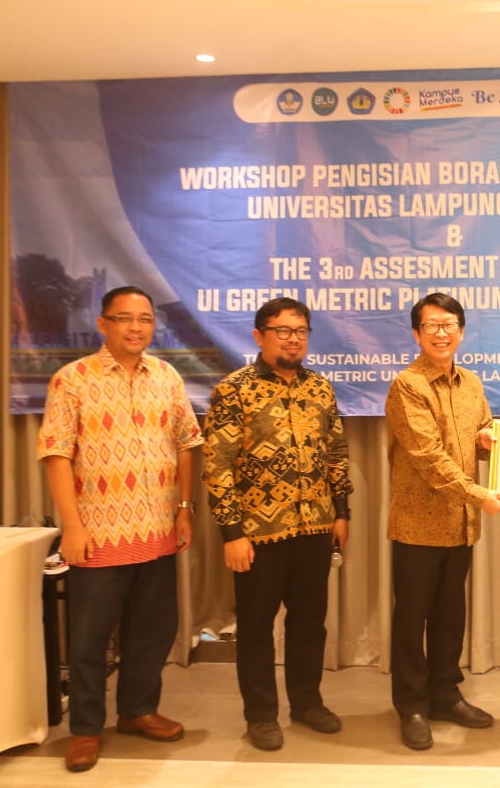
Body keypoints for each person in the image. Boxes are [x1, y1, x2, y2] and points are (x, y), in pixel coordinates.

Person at [38, 286, 203, 773]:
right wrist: (71, 526)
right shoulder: (72, 379)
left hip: (157, 530)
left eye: (145, 319)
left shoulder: (167, 376)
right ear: (103, 324)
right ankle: (86, 729)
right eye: (125, 318)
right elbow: (56, 454)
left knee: (153, 631)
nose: (136, 327)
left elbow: (186, 443)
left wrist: (185, 508)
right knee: (90, 639)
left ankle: (137, 711)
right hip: (98, 533)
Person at [202, 297, 351, 752]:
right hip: (257, 535)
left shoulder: (319, 388)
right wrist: (231, 532)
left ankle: (307, 703)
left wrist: (341, 511)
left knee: (309, 624)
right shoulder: (234, 390)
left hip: (315, 529)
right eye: (283, 330)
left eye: (301, 331)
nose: (293, 339)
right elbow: (217, 465)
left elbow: (336, 452)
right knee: (256, 628)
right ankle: (262, 715)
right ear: (259, 336)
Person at [385, 292, 500, 751]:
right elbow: (428, 457)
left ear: (461, 331)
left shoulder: (471, 383)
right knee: (412, 618)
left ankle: (444, 694)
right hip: (418, 524)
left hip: (459, 523)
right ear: (417, 333)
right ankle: (410, 704)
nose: (441, 333)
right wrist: (480, 495)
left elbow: (481, 435)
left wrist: (493, 441)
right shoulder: (407, 386)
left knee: (449, 616)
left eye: (449, 325)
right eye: (432, 325)